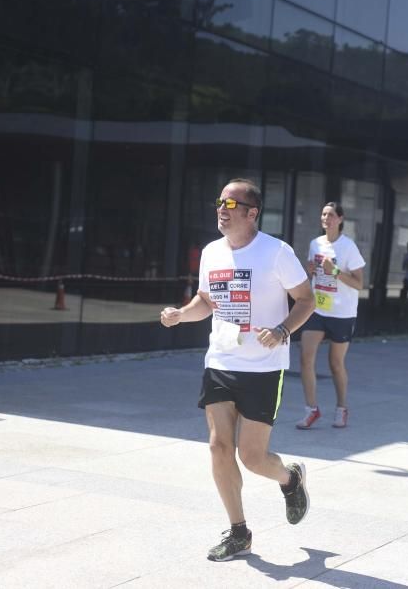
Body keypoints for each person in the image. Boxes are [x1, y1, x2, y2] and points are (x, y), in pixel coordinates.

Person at [159, 179, 315, 562]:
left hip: (264, 368)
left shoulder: (277, 252)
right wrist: (182, 314)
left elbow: (306, 299)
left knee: (252, 456)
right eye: (219, 202)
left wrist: (282, 331)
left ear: (252, 213)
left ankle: (290, 478)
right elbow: (206, 301)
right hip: (221, 362)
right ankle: (239, 531)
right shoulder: (212, 252)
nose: (222, 209)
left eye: (231, 203)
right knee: (218, 446)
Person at [296, 202, 366, 430]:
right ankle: (311, 410)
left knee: (335, 364)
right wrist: (311, 271)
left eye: (331, 215)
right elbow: (314, 274)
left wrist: (334, 271)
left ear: (340, 219)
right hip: (318, 308)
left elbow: (359, 284)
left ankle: (342, 408)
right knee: (305, 358)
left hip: (342, 312)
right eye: (323, 214)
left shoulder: (349, 247)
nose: (326, 218)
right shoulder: (315, 244)